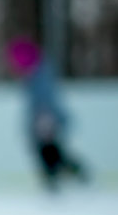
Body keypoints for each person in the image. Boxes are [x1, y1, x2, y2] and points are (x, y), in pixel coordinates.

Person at [6, 37, 88, 191]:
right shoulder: (34, 75)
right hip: (41, 118)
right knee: (50, 150)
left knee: (48, 150)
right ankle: (66, 175)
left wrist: (45, 118)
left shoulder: (41, 74)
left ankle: (63, 176)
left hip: (46, 118)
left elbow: (46, 97)